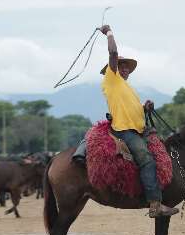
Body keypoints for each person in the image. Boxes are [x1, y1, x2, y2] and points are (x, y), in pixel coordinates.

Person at [72, 24, 179, 218]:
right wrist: (109, 33)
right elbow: (113, 52)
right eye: (122, 66)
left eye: (127, 68)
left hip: (138, 129)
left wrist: (145, 107)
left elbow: (132, 110)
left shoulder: (128, 88)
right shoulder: (111, 80)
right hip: (124, 131)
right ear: (113, 69)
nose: (125, 69)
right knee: (146, 160)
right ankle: (155, 204)